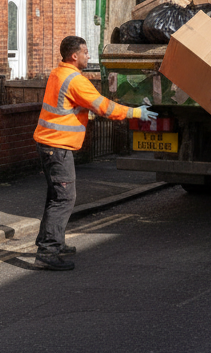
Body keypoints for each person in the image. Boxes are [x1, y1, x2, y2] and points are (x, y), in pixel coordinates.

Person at [32, 35, 157, 270]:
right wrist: (135, 113)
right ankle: (47, 252)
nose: (89, 55)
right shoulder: (75, 80)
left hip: (50, 144)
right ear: (74, 56)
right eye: (86, 52)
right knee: (64, 198)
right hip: (57, 146)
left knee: (56, 196)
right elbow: (104, 107)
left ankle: (50, 241)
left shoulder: (58, 72)